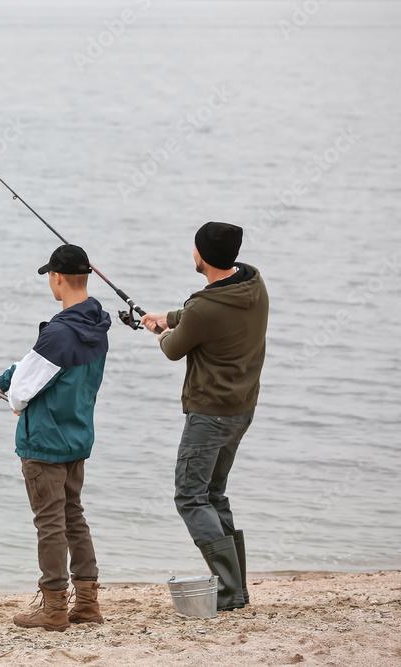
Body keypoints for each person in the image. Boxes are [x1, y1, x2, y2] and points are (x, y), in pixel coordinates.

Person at [0, 244, 111, 632]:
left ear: (56, 277)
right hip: (76, 438)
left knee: (50, 523)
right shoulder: (96, 323)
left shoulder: (58, 332)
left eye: (50, 277)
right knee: (73, 516)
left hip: (45, 444)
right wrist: (2, 380)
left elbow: (23, 392)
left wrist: (12, 395)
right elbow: (38, 368)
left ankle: (54, 607)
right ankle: (87, 602)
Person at [140, 221, 268, 612]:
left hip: (209, 416)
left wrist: (159, 330)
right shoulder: (253, 284)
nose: (192, 253)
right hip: (240, 410)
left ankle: (229, 590)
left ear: (202, 256)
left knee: (191, 497)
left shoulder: (206, 306)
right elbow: (199, 316)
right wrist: (170, 316)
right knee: (214, 495)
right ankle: (236, 590)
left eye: (194, 248)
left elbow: (174, 349)